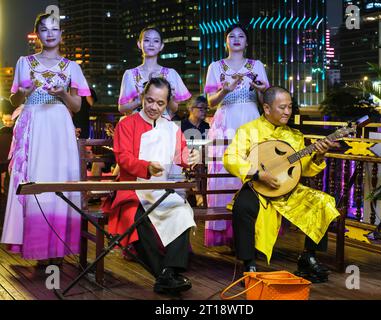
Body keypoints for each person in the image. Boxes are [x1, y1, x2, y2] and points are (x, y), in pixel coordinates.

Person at [223, 86, 340, 283]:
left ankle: (308, 256)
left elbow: (304, 169)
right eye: (282, 107)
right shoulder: (248, 130)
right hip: (258, 187)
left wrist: (319, 154)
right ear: (267, 108)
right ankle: (248, 263)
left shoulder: (295, 136)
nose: (288, 112)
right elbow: (230, 158)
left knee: (323, 202)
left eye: (290, 107)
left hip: (286, 190)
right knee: (242, 207)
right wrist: (258, 174)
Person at [1, 13, 90, 266]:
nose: (50, 34)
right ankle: (38, 247)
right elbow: (15, 100)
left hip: (60, 126)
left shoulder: (72, 67)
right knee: (36, 180)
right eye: (44, 29)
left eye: (55, 29)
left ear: (62, 34)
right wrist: (25, 93)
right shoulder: (24, 62)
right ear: (37, 33)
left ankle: (58, 249)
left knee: (59, 181)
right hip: (34, 124)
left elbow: (75, 106)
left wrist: (63, 93)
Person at [103, 78, 200, 295]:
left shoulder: (172, 129)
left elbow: (181, 155)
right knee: (136, 219)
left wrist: (191, 156)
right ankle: (165, 275)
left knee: (182, 211)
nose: (154, 107)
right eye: (149, 101)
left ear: (167, 104)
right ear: (141, 98)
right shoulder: (126, 124)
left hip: (162, 189)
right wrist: (146, 167)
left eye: (160, 103)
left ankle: (168, 272)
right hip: (131, 188)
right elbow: (123, 158)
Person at [204, 23, 269, 247]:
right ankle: (228, 233)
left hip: (251, 120)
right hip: (225, 122)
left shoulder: (257, 65)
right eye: (232, 36)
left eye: (241, 36)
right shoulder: (215, 66)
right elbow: (211, 103)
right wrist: (226, 90)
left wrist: (261, 90)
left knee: (251, 171)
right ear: (226, 41)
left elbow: (264, 101)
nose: (237, 39)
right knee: (225, 172)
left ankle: (253, 231)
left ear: (247, 42)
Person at [118, 27, 191, 120]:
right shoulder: (130, 74)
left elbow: (174, 108)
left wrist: (170, 97)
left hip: (162, 126)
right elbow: (121, 108)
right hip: (137, 125)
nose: (151, 44)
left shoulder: (171, 74)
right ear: (139, 44)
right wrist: (139, 101)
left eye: (156, 41)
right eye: (147, 40)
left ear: (161, 46)